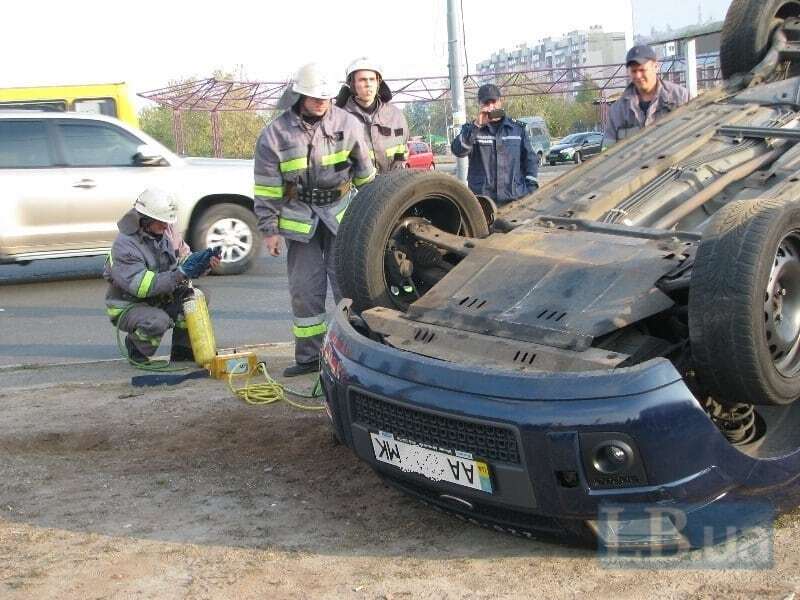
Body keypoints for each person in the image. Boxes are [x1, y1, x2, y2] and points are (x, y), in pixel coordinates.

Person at [253, 63, 376, 377]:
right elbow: (267, 186)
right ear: (299, 95)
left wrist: (375, 216)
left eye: (326, 97)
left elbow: (366, 175)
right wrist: (269, 230)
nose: (322, 102)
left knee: (348, 286)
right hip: (300, 219)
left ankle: (360, 354)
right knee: (305, 290)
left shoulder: (347, 123)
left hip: (342, 215)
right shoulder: (276, 133)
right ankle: (309, 358)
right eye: (315, 97)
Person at [103, 188, 220, 363]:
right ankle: (136, 348)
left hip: (158, 297)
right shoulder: (125, 246)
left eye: (167, 222)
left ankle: (182, 352)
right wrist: (180, 274)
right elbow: (142, 287)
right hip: (129, 305)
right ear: (144, 220)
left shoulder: (162, 233)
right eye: (161, 222)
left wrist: (202, 264)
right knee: (158, 321)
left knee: (195, 298)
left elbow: (179, 263)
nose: (166, 227)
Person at [451, 83, 539, 205]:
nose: (491, 107)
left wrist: (531, 189)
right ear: (480, 105)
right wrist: (476, 126)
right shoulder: (472, 130)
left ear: (500, 102)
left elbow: (531, 159)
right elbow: (458, 151)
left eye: (494, 102)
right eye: (487, 103)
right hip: (483, 203)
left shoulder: (517, 129)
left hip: (515, 199)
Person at [604, 44, 690, 144]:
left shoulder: (681, 98)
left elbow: (696, 135)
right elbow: (607, 152)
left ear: (656, 67)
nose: (638, 75)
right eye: (634, 71)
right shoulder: (618, 111)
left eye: (642, 70)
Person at [336, 57, 409, 173]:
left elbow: (402, 156)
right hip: (358, 190)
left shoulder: (396, 116)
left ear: (378, 83)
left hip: (391, 187)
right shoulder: (338, 120)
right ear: (352, 84)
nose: (368, 84)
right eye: (362, 80)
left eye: (372, 79)